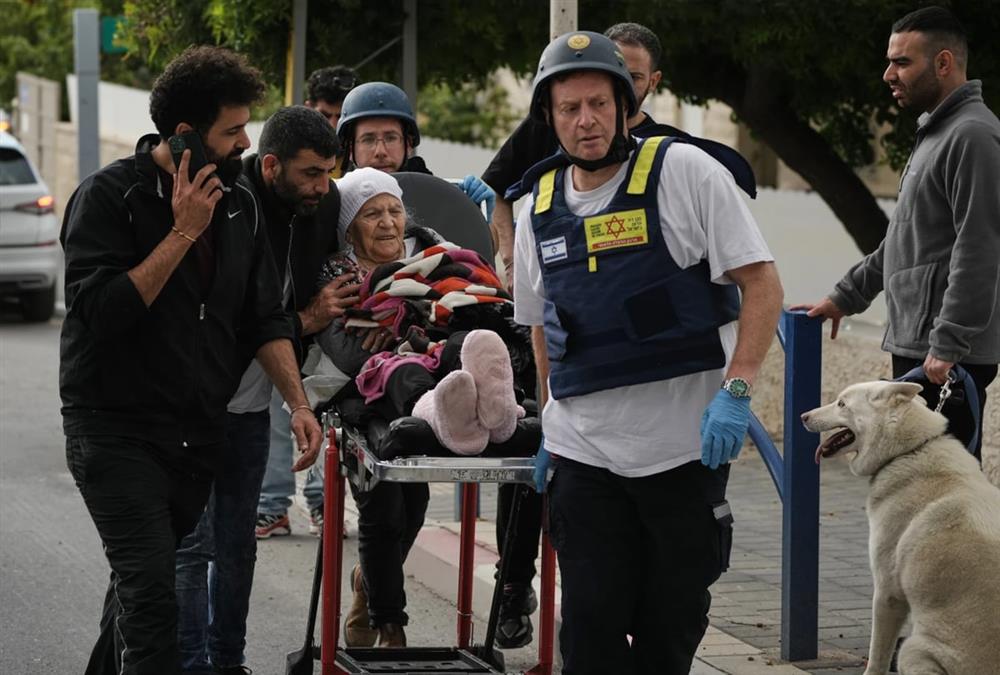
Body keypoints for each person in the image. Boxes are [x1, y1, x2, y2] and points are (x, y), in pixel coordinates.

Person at [513, 32, 782, 674]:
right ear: (549, 116)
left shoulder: (685, 172)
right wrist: (550, 417)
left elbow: (762, 284)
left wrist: (738, 389)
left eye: (600, 104)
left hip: (683, 453)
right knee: (590, 630)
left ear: (625, 104)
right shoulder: (536, 208)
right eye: (570, 107)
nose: (586, 120)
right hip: (585, 457)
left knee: (669, 630)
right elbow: (540, 325)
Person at [59, 47, 322, 675]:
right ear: (185, 136)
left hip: (195, 437)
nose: (245, 144)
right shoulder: (109, 198)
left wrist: (298, 403)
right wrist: (181, 233)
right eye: (232, 132)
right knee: (156, 601)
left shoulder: (239, 204)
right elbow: (100, 312)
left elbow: (263, 318)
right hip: (115, 432)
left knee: (136, 590)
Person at [315, 167, 534, 649]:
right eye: (371, 214)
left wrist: (404, 325)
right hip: (374, 393)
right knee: (388, 501)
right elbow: (350, 353)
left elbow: (481, 301)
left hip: (449, 376)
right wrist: (411, 335)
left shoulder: (438, 254)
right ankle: (388, 619)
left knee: (415, 501)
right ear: (349, 228)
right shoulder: (336, 274)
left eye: (394, 210)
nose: (387, 222)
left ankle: (494, 410)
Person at [175, 105, 348, 674]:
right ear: (271, 165)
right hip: (193, 407)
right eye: (311, 173)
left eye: (329, 172)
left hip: (252, 408)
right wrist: (306, 318)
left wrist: (300, 399)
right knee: (191, 547)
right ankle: (191, 664)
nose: (322, 186)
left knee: (237, 547)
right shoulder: (227, 204)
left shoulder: (322, 206)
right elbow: (232, 318)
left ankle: (229, 662)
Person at [796, 6, 999, 461]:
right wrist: (846, 296)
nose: (889, 74)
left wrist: (948, 343)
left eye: (902, 62)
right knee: (913, 483)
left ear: (943, 63)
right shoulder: (936, 132)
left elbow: (980, 247)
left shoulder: (973, 135)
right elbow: (905, 239)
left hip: (945, 357)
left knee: (942, 489)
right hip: (925, 348)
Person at [483, 22, 680, 280]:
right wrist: (513, 265)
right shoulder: (545, 132)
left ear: (653, 81)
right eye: (570, 109)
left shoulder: (675, 158)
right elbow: (495, 187)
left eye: (634, 77)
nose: (585, 122)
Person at [335, 81, 496, 216]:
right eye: (368, 140)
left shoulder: (439, 197)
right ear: (350, 149)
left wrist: (477, 216)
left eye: (391, 138)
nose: (380, 151)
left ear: (408, 144)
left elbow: (478, 242)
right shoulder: (334, 201)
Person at [305, 65, 361, 178]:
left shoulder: (368, 160)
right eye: (324, 116)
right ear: (308, 109)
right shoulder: (290, 154)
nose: (333, 125)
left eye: (341, 117)